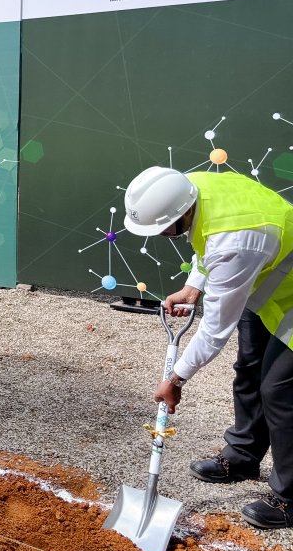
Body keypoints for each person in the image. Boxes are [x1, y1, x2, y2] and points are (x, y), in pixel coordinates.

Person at [123, 166, 293, 529]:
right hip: (267, 276)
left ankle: (290, 496)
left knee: (279, 391)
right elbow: (208, 243)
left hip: (286, 288)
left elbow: (215, 329)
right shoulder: (189, 188)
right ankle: (244, 455)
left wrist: (177, 379)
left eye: (162, 229)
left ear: (180, 212)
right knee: (248, 368)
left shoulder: (236, 243)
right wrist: (193, 285)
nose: (161, 236)